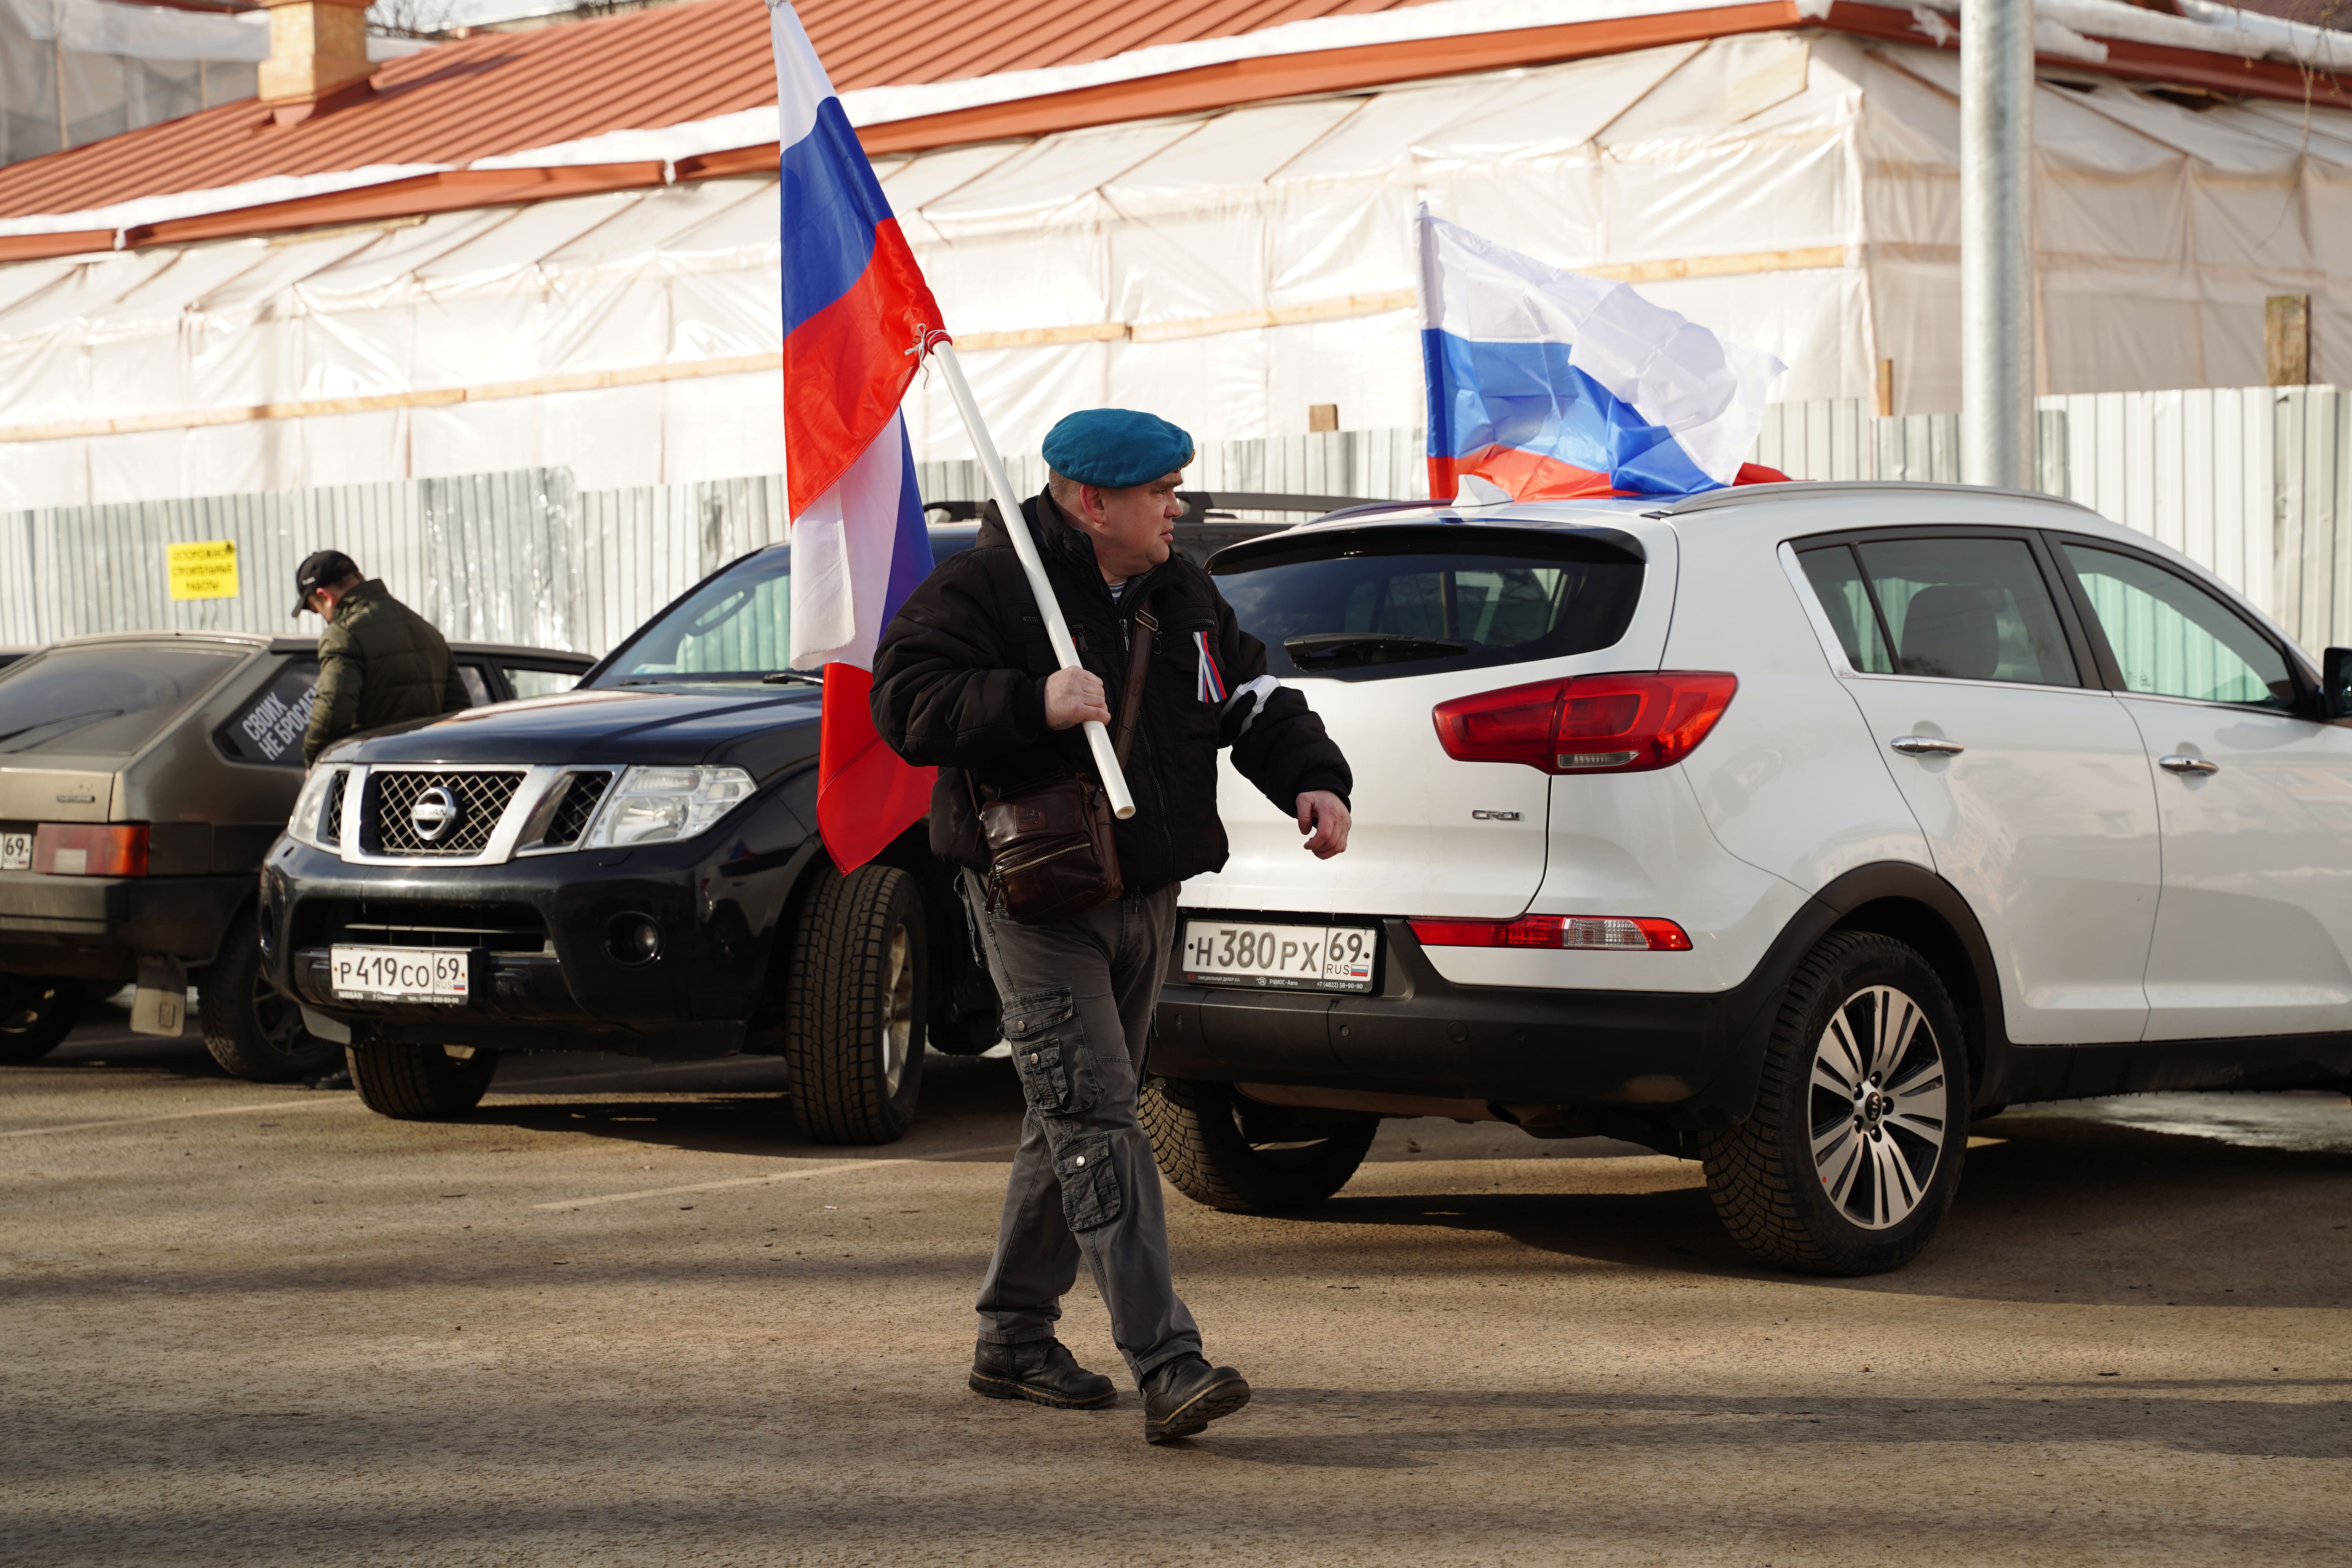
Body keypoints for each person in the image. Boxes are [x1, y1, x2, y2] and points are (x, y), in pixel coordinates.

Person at [871, 408, 1354, 1445]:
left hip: (1148, 893)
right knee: (1097, 1117)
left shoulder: (1184, 594)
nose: (1178, 508)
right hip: (1035, 895)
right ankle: (1167, 1362)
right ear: (1093, 502)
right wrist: (1029, 699)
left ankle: (1013, 1337)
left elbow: (1248, 695)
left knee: (1076, 1110)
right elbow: (903, 701)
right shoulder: (992, 589)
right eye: (1161, 493)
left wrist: (1313, 781)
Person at [293, 550, 471, 767]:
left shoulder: (344, 634)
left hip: (376, 775)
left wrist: (314, 760)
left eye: (316, 610)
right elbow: (458, 711)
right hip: (429, 772)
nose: (324, 619)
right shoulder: (427, 630)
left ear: (324, 596)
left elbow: (333, 710)